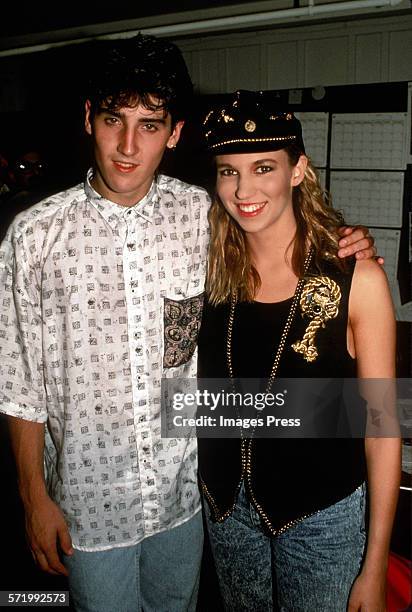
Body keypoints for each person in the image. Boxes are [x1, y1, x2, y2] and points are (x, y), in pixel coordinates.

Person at [0, 35, 376, 611]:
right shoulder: (32, 236)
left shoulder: (202, 217)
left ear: (174, 133)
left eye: (150, 125)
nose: (128, 145)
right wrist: (33, 497)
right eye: (112, 120)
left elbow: (272, 222)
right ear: (88, 120)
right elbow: (19, 383)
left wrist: (345, 247)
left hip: (187, 499)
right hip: (89, 505)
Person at [196, 90, 401, 611]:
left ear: (297, 170)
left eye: (263, 166)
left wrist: (374, 564)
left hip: (321, 517)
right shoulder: (207, 269)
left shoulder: (358, 278)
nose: (244, 189)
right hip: (226, 512)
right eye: (228, 170)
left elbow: (381, 429)